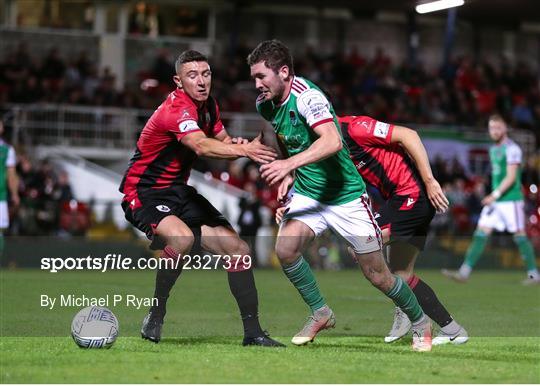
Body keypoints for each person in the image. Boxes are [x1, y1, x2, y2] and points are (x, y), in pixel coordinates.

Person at [247, 39, 432, 351]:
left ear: (283, 72)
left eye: (261, 77)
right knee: (286, 249)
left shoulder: (308, 98)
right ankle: (321, 313)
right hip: (308, 193)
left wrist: (289, 164)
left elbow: (332, 140)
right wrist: (288, 174)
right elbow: (284, 137)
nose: (256, 84)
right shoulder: (265, 104)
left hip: (346, 196)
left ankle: (421, 322)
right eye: (253, 77)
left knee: (378, 275)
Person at [120, 50, 283, 347]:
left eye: (206, 74)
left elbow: (221, 142)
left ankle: (254, 333)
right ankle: (156, 313)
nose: (201, 81)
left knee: (239, 250)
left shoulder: (209, 106)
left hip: (179, 191)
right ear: (178, 81)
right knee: (180, 240)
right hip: (144, 191)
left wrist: (244, 146)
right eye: (192, 75)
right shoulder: (176, 109)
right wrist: (243, 151)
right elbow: (200, 146)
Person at [337, 115, 468, 345]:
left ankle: (406, 311)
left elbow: (409, 135)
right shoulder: (333, 144)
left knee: (360, 245)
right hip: (405, 199)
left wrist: (430, 181)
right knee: (402, 275)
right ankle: (452, 329)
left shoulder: (354, 128)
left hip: (411, 195)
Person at [442, 114, 539, 285]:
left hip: (511, 200)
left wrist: (493, 195)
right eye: (491, 128)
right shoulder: (494, 149)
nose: (494, 131)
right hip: (497, 201)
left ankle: (534, 275)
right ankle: (464, 273)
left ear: (505, 128)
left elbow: (510, 178)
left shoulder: (512, 149)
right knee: (480, 234)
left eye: (497, 127)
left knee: (520, 236)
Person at [0, 120, 20, 256]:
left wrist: (14, 194)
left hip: (0, 195)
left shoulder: (7, 150)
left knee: (0, 229)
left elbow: (11, 174)